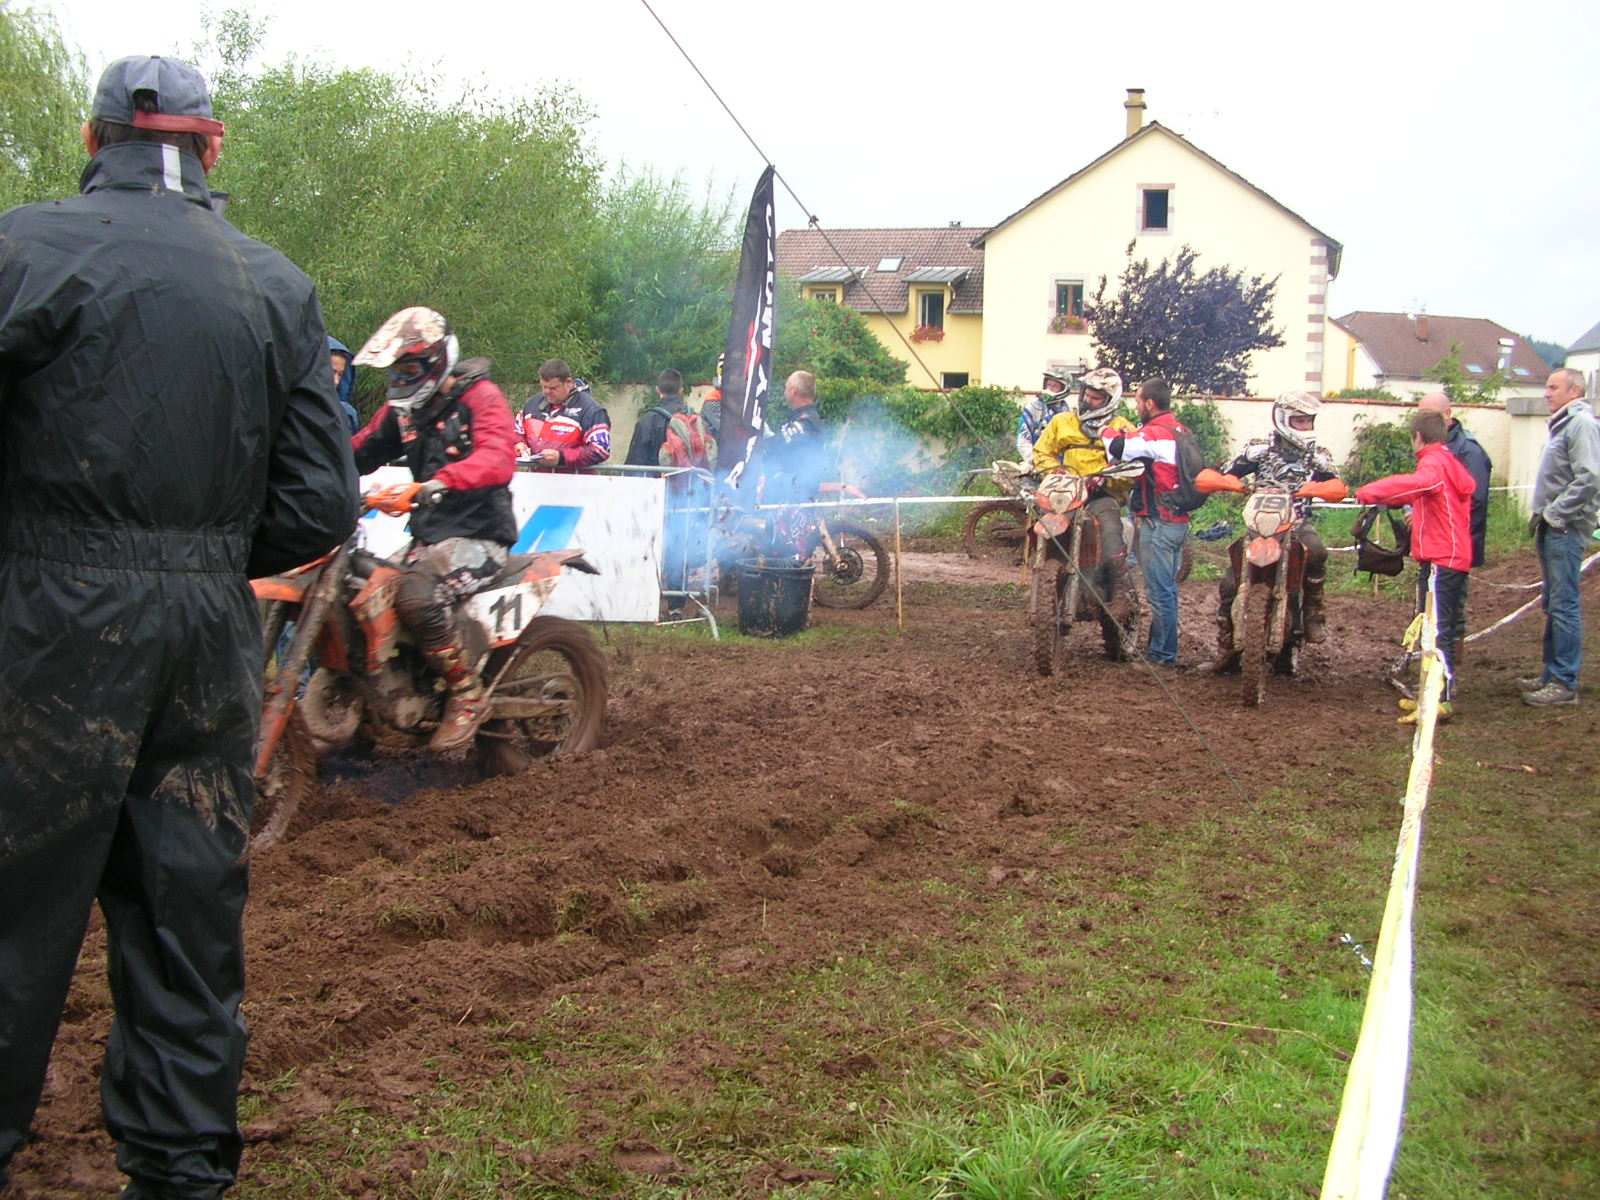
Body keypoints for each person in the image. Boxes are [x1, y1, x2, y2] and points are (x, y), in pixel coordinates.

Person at [0, 55, 359, 1198]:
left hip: (45, 617)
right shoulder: (275, 284)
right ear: (213, 147)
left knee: (13, 907)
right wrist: (201, 562)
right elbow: (318, 502)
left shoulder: (20, 247)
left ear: (94, 135)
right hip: (208, 630)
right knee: (186, 914)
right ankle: (179, 1174)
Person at [352, 307, 520, 750]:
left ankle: (466, 693)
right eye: (396, 368)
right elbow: (359, 449)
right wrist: (311, 466)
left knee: (415, 594)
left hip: (481, 535)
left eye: (409, 367)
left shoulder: (479, 397)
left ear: (435, 361)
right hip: (428, 537)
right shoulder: (403, 412)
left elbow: (499, 456)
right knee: (361, 589)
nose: (401, 377)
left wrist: (440, 481)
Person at [1356, 410, 1476, 722]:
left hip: (1442, 560)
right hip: (1447, 557)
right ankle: (1429, 694)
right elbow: (1422, 493)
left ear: (1418, 438)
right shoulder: (1448, 461)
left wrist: (1369, 492)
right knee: (1431, 627)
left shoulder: (1433, 463)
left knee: (1438, 631)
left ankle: (1441, 700)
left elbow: (1414, 485)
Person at [1209, 391, 1340, 666]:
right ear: (1283, 419)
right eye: (1300, 420)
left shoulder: (1318, 457)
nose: (1306, 426)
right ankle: (1226, 650)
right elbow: (1229, 471)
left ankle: (1314, 610)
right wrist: (1230, 482)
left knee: (1316, 551)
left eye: (1309, 421)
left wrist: (1322, 489)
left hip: (1297, 524)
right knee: (1229, 583)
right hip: (1258, 525)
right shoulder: (1259, 450)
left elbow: (1336, 485)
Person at [1518, 368, 1600, 707]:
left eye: (1554, 387)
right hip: (1553, 526)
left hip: (1564, 527)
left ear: (1575, 390)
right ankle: (1552, 674)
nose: (1547, 393)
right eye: (1546, 386)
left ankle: (1564, 682)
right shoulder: (1564, 425)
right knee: (1554, 601)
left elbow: (1590, 476)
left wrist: (1557, 513)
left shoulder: (1581, 425)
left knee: (1564, 603)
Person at [1030, 367, 1138, 613]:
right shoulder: (1063, 421)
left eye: (1096, 398)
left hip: (1101, 497)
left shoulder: (1123, 429)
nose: (1088, 401)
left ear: (1110, 401)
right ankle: (1047, 580)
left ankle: (1121, 589)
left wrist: (1107, 477)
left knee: (1111, 546)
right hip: (1065, 494)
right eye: (1087, 395)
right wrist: (1056, 471)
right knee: (1042, 530)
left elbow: (1132, 465)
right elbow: (1042, 451)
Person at [1102, 378, 1191, 666]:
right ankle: (1162, 651)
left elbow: (1117, 447)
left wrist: (1105, 429)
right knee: (1167, 589)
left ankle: (1163, 658)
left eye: (1139, 401)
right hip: (1177, 521)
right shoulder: (1180, 430)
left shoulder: (1155, 434)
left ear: (1150, 403)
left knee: (1159, 592)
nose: (1137, 406)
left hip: (1159, 523)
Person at [626, 368, 694, 619]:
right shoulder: (694, 420)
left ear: (658, 391)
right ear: (682, 390)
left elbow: (635, 465)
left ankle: (643, 600)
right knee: (679, 548)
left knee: (649, 545)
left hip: (654, 496)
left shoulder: (647, 422)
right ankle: (676, 606)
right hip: (688, 496)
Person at [1417, 391, 1492, 567]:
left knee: (1447, 594)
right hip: (1434, 544)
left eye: (1430, 414)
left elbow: (1474, 501)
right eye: (1421, 415)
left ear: (1448, 414)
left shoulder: (1468, 451)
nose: (1424, 421)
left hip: (1455, 549)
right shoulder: (1432, 446)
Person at [517, 358, 611, 472]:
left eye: (553, 388)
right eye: (544, 387)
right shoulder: (532, 404)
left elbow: (601, 449)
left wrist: (561, 458)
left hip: (574, 484)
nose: (547, 392)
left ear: (568, 383)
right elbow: (516, 431)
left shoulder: (591, 410)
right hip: (535, 483)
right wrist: (519, 444)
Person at [763, 370, 827, 507]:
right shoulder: (803, 418)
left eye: (786, 388)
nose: (784, 392)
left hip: (797, 498)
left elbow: (773, 447)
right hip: (792, 494)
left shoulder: (806, 422)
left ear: (793, 391)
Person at [1016, 365, 1076, 464]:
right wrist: (1034, 459)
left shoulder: (1071, 414)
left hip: (1064, 468)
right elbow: (1023, 441)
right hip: (1037, 465)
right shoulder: (1033, 409)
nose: (1050, 389)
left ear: (1064, 389)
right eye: (1048, 385)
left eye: (1054, 386)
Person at [329, 335, 361, 435]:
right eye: (331, 372)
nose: (336, 381)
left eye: (340, 374)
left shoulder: (347, 415)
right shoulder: (292, 407)